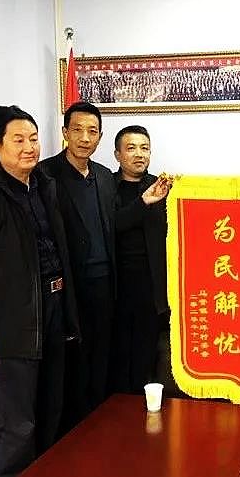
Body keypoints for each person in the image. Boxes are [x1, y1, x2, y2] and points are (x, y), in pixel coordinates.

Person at [0, 105, 80, 477]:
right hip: (11, 323)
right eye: (18, 140)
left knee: (52, 406)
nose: (29, 148)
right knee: (17, 422)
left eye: (34, 139)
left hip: (52, 307)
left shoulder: (42, 184)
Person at [38, 101, 116, 426]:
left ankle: (100, 422)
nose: (85, 138)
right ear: (65, 132)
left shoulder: (104, 176)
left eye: (92, 131)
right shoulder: (45, 175)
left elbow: (115, 224)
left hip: (105, 281)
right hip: (68, 285)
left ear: (100, 137)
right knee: (73, 361)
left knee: (102, 356)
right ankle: (75, 430)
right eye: (78, 130)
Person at [109, 125, 172, 394]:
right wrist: (142, 203)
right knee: (118, 360)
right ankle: (120, 410)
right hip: (116, 289)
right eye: (131, 148)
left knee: (148, 360)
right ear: (117, 154)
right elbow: (109, 225)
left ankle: (146, 409)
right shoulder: (105, 186)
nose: (139, 154)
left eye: (144, 148)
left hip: (152, 288)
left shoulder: (163, 186)